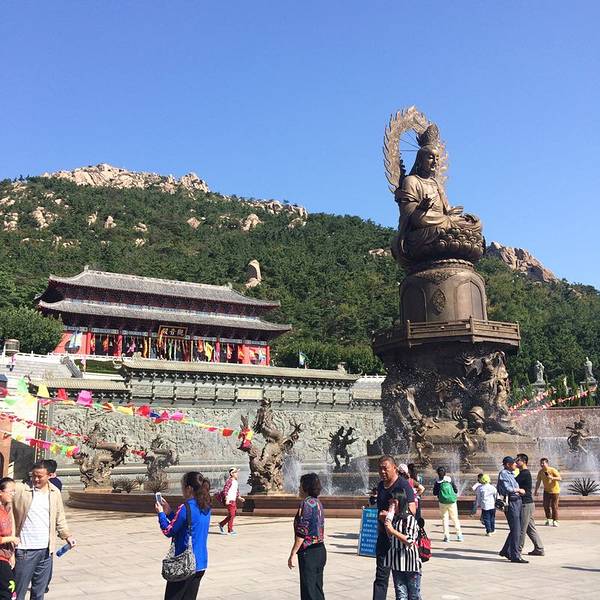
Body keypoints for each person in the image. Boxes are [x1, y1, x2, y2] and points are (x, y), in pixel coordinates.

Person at [13, 461, 75, 600]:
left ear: (50, 475)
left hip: (46, 551)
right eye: (33, 475)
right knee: (18, 592)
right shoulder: (21, 489)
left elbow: (59, 517)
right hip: (24, 550)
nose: (35, 479)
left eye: (40, 476)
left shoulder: (54, 492)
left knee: (39, 593)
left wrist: (67, 536)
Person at [156, 472, 211, 600]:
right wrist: (170, 513)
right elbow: (187, 524)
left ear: (189, 488)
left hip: (185, 563)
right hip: (200, 563)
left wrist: (161, 514)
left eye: (182, 487)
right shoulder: (206, 506)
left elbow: (168, 531)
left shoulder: (186, 507)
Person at [372, 456, 415, 600]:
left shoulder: (403, 485)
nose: (382, 471)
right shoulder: (380, 485)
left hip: (399, 539)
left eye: (385, 468)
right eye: (380, 469)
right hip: (384, 537)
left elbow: (412, 509)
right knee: (381, 577)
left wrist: (390, 516)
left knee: (403, 581)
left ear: (394, 468)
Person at [288, 473, 326, 600]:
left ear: (306, 487)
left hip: (309, 552)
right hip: (320, 550)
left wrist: (293, 553)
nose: (299, 488)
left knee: (308, 591)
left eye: (301, 485)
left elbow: (302, 532)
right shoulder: (318, 502)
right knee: (317, 589)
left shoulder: (306, 504)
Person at [382, 489, 421, 600]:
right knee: (400, 595)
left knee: (414, 594)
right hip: (397, 562)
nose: (391, 505)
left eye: (393, 502)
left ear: (399, 501)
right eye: (390, 502)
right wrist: (386, 524)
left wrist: (392, 530)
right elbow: (391, 538)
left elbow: (410, 540)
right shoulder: (395, 519)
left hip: (410, 562)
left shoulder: (409, 519)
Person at [497, 456, 527, 563]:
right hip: (511, 502)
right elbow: (507, 488)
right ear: (508, 465)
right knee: (516, 530)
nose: (516, 464)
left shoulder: (511, 474)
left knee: (516, 529)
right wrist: (518, 490)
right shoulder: (504, 473)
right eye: (514, 463)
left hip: (517, 501)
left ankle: (505, 551)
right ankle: (515, 556)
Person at [515, 454, 544, 556]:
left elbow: (514, 483)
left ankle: (517, 550)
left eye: (517, 460)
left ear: (523, 461)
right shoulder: (522, 473)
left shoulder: (525, 473)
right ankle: (539, 548)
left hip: (525, 504)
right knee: (530, 528)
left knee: (521, 529)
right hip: (528, 504)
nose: (515, 462)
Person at [432, 466, 463, 542]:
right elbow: (455, 490)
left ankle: (446, 536)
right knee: (455, 518)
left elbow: (434, 493)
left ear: (437, 473)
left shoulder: (437, 482)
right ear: (445, 473)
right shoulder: (449, 480)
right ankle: (459, 535)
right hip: (452, 502)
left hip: (442, 502)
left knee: (445, 519)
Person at [0, 477, 18, 600]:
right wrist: (11, 538)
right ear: (1, 492)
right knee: (8, 592)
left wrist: (12, 554)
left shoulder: (7, 508)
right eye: (10, 491)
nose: (13, 494)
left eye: (14, 491)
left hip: (6, 556)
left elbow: (10, 529)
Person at [535, 458, 561, 526]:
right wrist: (536, 490)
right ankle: (549, 519)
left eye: (543, 463)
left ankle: (555, 520)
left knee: (554, 506)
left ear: (547, 463)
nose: (541, 464)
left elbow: (560, 478)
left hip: (555, 491)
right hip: (546, 491)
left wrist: (552, 478)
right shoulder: (540, 472)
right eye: (541, 463)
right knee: (545, 505)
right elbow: (538, 481)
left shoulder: (552, 470)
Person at [218, 467, 244, 535]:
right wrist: (226, 499)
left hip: (233, 500)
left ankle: (221, 524)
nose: (237, 474)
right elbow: (225, 490)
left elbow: (236, 491)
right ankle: (230, 530)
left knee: (232, 515)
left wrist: (239, 497)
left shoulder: (235, 482)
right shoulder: (229, 481)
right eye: (235, 472)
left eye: (237, 472)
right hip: (229, 500)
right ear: (232, 474)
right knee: (232, 514)